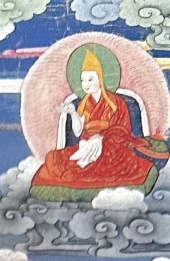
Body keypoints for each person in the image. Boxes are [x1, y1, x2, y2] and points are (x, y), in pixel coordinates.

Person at [31, 49, 162, 194]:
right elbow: (78, 132)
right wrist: (73, 113)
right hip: (87, 146)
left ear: (100, 78)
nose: (85, 84)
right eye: (82, 80)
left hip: (112, 147)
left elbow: (123, 130)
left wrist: (102, 138)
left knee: (114, 161)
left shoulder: (116, 103)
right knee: (54, 158)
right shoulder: (83, 105)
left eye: (90, 79)